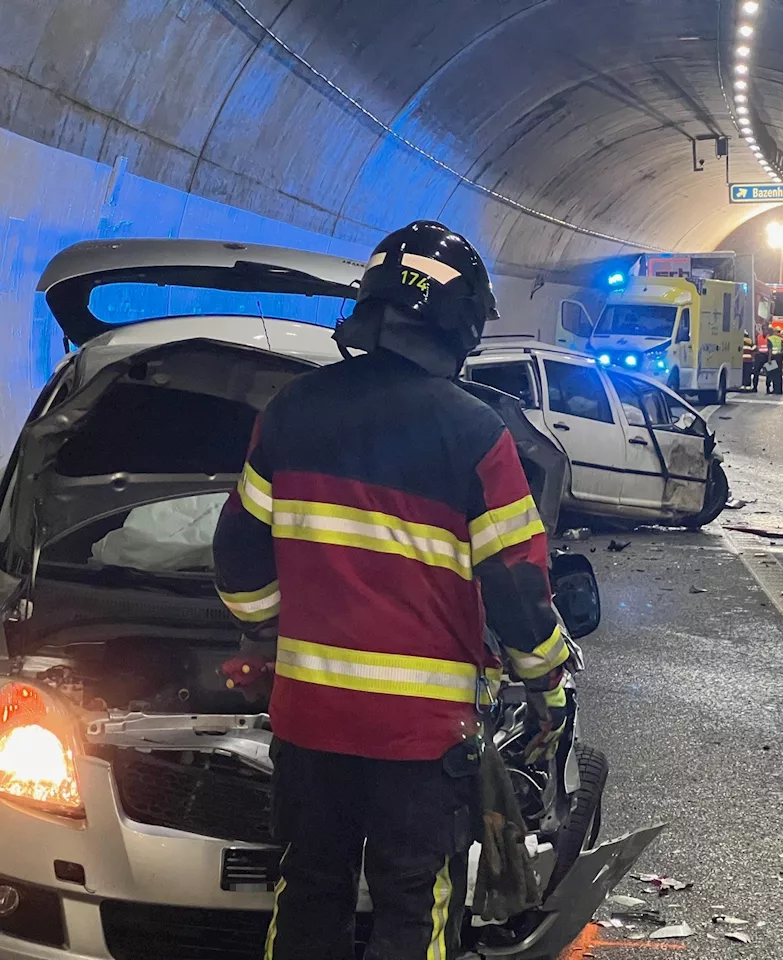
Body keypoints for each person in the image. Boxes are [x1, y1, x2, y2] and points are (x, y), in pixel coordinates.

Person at [212, 222, 569, 960]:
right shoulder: (478, 433)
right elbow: (517, 585)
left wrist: (272, 631)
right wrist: (548, 684)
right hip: (420, 738)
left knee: (309, 890)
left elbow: (238, 559)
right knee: (414, 907)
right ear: (462, 321)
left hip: (310, 722)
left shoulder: (291, 411)